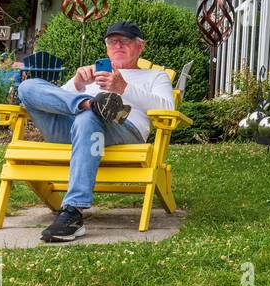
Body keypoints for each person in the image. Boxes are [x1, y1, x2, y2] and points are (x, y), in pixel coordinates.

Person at [16, 21, 174, 243]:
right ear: (107, 47)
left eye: (125, 41)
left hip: (124, 131)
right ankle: (89, 103)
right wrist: (78, 86)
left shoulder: (155, 77)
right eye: (112, 41)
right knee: (27, 87)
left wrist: (124, 88)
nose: (117, 46)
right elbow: (52, 101)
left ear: (140, 46)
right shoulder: (92, 73)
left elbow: (168, 108)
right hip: (72, 130)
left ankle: (73, 211)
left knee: (88, 118)